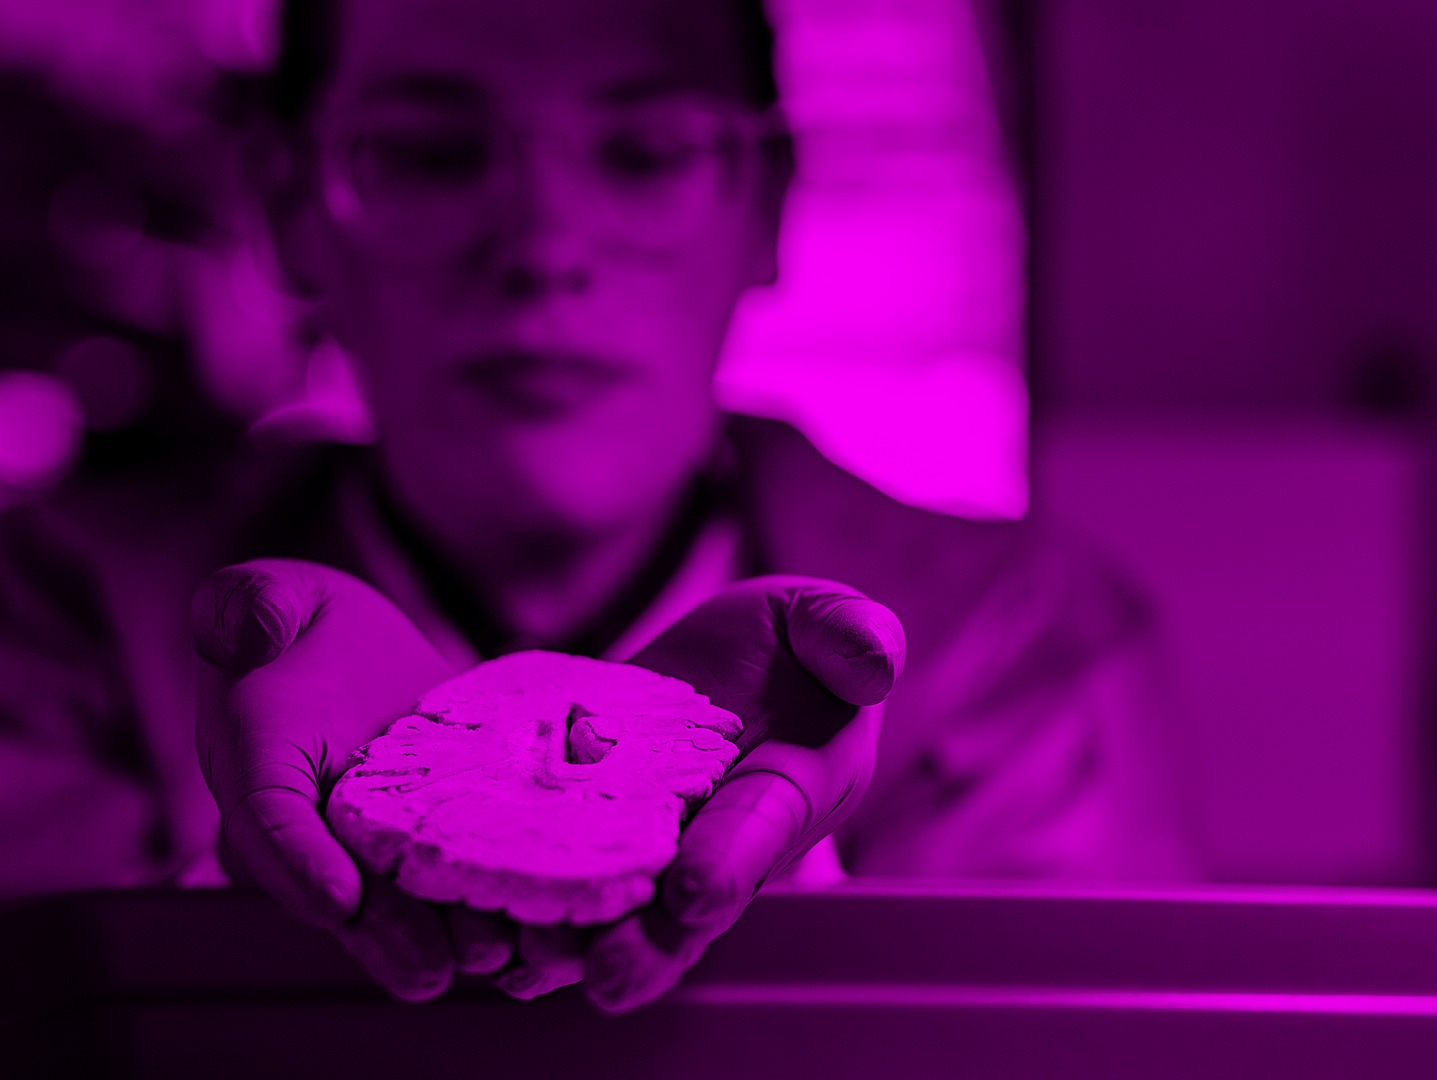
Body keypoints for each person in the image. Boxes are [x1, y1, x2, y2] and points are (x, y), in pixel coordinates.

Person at [0, 0, 1185, 1010]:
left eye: (644, 152)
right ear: (288, 208)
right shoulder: (58, 614)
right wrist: (247, 908)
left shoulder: (1015, 642)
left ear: (764, 205)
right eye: (427, 153)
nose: (544, 248)